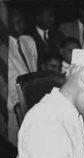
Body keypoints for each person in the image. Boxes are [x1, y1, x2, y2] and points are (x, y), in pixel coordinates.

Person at [7, 8, 38, 146]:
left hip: (34, 100)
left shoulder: (28, 41)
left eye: (22, 20)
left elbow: (34, 69)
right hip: (15, 105)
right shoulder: (4, 49)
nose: (21, 24)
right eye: (16, 21)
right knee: (17, 143)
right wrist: (19, 105)